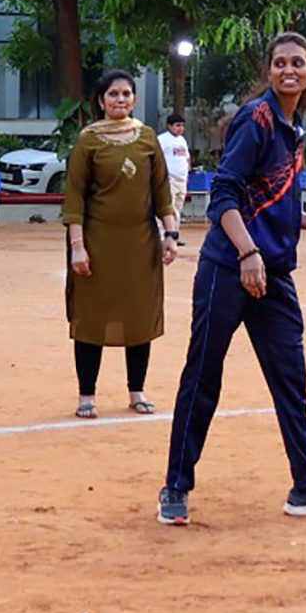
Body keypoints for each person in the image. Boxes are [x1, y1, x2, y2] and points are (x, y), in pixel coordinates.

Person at [159, 32, 306, 526]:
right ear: (269, 71)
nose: (289, 70)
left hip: (272, 273)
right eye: (280, 63)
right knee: (203, 375)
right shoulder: (258, 118)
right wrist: (247, 252)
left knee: (290, 379)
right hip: (228, 270)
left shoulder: (292, 127)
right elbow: (224, 195)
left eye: (298, 63)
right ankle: (176, 487)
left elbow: (269, 198)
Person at [64, 70, 179, 419]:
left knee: (138, 316)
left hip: (140, 244)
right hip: (97, 243)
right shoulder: (88, 141)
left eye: (127, 94)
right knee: (91, 319)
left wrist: (170, 234)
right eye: (113, 94)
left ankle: (137, 391)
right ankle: (87, 395)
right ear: (101, 100)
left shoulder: (146, 138)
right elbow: (74, 198)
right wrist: (77, 247)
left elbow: (162, 191)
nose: (121, 100)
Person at [158, 112, 193, 198]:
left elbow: (187, 158)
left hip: (182, 179)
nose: (181, 128)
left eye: (182, 126)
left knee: (179, 206)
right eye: (178, 125)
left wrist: (187, 171)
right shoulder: (162, 139)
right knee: (170, 206)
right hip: (170, 178)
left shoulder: (182, 140)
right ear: (169, 126)